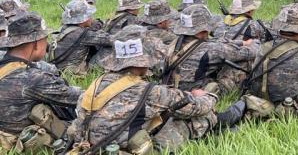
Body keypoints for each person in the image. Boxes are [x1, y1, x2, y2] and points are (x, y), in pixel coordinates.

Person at [68, 25, 244, 154]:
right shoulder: (149, 90)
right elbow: (199, 106)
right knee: (197, 118)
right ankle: (220, 122)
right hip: (126, 149)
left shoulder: (97, 83)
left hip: (87, 148)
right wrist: (208, 95)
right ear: (144, 59)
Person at [0, 11, 82, 153]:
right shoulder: (33, 78)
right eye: (46, 39)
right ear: (36, 43)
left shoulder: (5, 66)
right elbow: (84, 98)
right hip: (20, 142)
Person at [163, 5, 258, 95]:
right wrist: (255, 43)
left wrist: (241, 42)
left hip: (171, 88)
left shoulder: (174, 43)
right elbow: (249, 52)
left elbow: (215, 41)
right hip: (197, 93)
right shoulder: (211, 49)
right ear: (204, 29)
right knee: (243, 62)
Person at [50, 0, 112, 75]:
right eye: (89, 15)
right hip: (74, 72)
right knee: (108, 48)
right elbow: (110, 40)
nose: (91, 18)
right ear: (83, 19)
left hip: (58, 69)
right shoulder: (84, 34)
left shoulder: (63, 28)